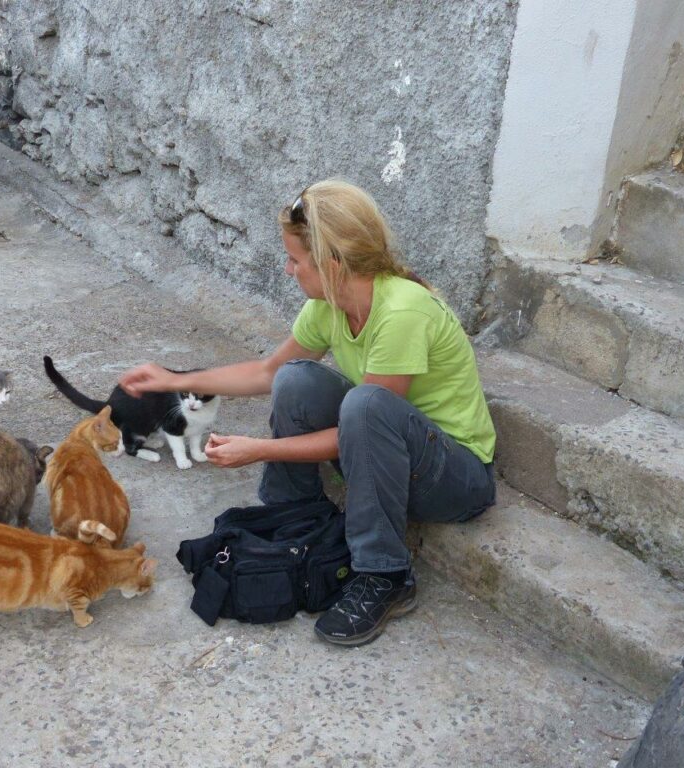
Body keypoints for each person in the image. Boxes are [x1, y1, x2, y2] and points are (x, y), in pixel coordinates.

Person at [119, 179, 496, 646]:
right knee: (294, 378)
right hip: (387, 457)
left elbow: (362, 426)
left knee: (365, 403)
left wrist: (259, 450)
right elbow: (266, 372)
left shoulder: (403, 313)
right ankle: (295, 518)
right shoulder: (331, 304)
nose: (287, 269)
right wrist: (175, 380)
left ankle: (386, 575)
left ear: (333, 266)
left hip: (454, 478)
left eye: (296, 260)